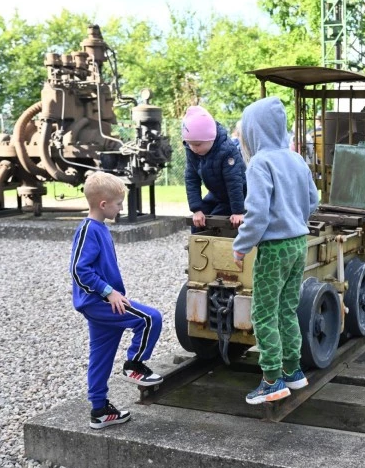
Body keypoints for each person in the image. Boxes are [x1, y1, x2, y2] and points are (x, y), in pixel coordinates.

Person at [232, 97, 319, 405]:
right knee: (287, 308)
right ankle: (293, 371)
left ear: (254, 130)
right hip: (299, 243)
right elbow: (314, 200)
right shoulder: (296, 159)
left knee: (264, 311)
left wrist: (241, 246)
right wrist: (296, 217)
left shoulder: (259, 163)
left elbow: (256, 214)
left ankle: (271, 379)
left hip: (274, 248)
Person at [69, 171, 163, 429]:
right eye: (119, 203)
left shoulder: (98, 228)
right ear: (103, 204)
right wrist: (109, 292)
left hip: (102, 302)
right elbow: (79, 269)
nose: (121, 208)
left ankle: (100, 411)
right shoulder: (89, 229)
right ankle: (134, 364)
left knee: (101, 355)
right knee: (150, 318)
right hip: (98, 302)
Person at [182, 106, 246, 231]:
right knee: (197, 224)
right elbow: (191, 179)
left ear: (210, 138)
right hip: (216, 195)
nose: (193, 148)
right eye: (189, 144)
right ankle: (197, 249)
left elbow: (234, 182)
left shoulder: (227, 150)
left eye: (197, 144)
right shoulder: (192, 151)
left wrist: (238, 211)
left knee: (215, 222)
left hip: (238, 196)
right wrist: (197, 209)